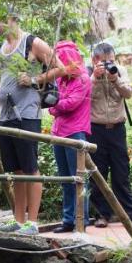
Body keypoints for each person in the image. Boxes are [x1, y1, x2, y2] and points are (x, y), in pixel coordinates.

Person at [0, 12, 54, 234]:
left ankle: (33, 221)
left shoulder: (32, 42)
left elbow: (59, 67)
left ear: (12, 18)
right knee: (17, 170)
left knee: (30, 168)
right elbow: (0, 82)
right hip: (6, 116)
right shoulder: (3, 48)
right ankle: (18, 219)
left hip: (27, 115)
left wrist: (33, 79)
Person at [87, 42, 132, 229]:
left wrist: (115, 79)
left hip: (117, 128)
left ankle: (131, 214)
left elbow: (128, 93)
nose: (109, 64)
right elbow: (84, 94)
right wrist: (95, 78)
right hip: (96, 129)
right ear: (95, 60)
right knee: (98, 173)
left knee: (122, 172)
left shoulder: (120, 71)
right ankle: (102, 215)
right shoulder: (88, 74)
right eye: (104, 61)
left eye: (111, 60)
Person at [48, 40, 92, 230]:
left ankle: (81, 219)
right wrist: (56, 104)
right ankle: (68, 220)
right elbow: (52, 106)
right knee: (65, 178)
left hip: (75, 133)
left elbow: (69, 104)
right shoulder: (60, 79)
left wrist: (55, 103)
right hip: (58, 132)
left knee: (79, 179)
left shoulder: (82, 79)